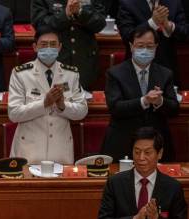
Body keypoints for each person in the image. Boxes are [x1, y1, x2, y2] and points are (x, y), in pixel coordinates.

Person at [8, 26, 87, 164]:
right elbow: (14, 114)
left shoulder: (71, 74)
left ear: (60, 47)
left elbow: (82, 111)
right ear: (35, 47)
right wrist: (44, 103)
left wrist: (62, 106)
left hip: (61, 151)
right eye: (44, 45)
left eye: (53, 44)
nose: (48, 48)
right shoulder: (21, 74)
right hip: (29, 150)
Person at [101, 26, 178, 162]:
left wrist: (160, 102)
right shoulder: (115, 73)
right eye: (140, 46)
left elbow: (174, 109)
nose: (145, 50)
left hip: (156, 143)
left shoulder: (165, 74)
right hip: (123, 142)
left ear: (156, 47)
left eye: (149, 46)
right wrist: (144, 101)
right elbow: (115, 108)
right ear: (131, 46)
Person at [31, 0, 107, 90]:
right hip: (54, 59)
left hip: (84, 61)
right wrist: (65, 15)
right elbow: (40, 25)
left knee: (83, 101)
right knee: (51, 98)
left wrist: (81, 12)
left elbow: (100, 24)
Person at [117, 0, 188, 84]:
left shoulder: (174, 2)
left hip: (167, 67)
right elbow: (127, 35)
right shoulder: (128, 3)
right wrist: (152, 23)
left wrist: (169, 26)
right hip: (136, 68)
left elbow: (185, 32)